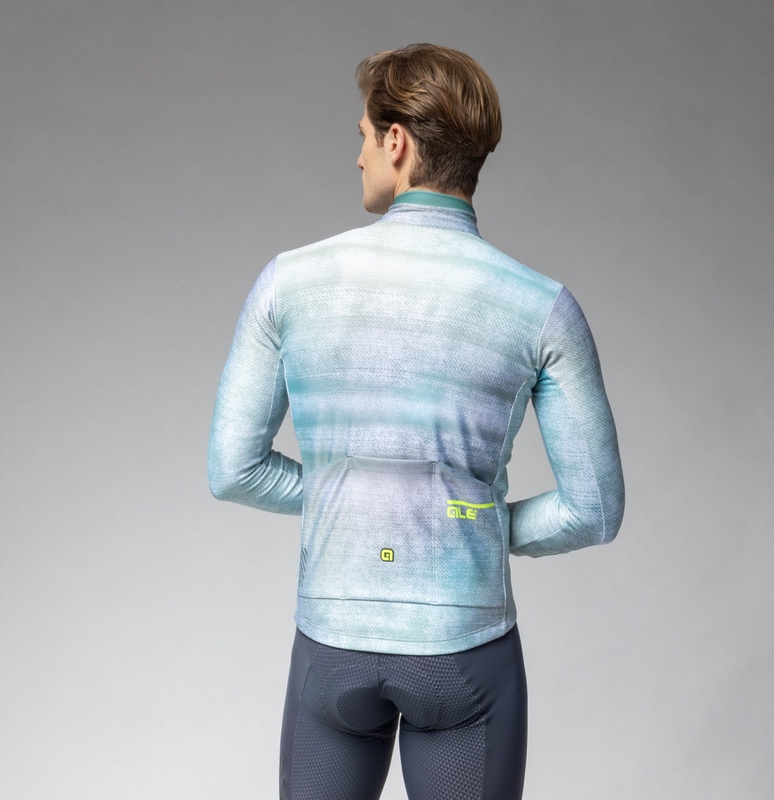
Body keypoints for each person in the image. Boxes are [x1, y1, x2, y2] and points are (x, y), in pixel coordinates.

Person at [207, 43, 624, 800]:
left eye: (364, 136)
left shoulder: (289, 282)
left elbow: (232, 469)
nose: (358, 155)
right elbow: (595, 510)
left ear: (396, 142)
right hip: (464, 653)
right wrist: (472, 519)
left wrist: (354, 496)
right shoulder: (542, 306)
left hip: (331, 646)